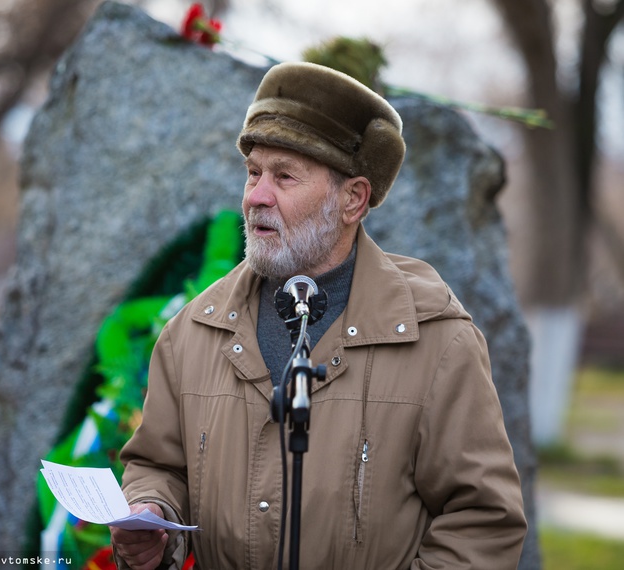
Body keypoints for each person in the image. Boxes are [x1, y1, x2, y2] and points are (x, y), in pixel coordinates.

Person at [111, 61, 527, 569]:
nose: (256, 197)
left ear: (352, 199)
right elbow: (156, 463)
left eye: (284, 177)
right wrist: (153, 511)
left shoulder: (437, 341)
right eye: (253, 173)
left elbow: (483, 521)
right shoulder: (194, 330)